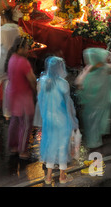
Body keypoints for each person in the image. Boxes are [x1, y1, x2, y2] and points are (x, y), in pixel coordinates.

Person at [34, 56, 79, 185]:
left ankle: (48, 177)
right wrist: (73, 121)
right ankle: (62, 176)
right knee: (62, 147)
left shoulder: (42, 81)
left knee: (50, 145)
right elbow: (68, 105)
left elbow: (40, 100)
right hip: (62, 120)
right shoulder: (63, 84)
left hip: (48, 120)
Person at [75, 48, 111, 150]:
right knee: (94, 123)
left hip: (94, 102)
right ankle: (95, 144)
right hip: (96, 102)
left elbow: (79, 83)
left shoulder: (99, 68)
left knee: (94, 123)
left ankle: (94, 144)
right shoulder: (104, 68)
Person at [5, 36, 37, 159]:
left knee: (15, 121)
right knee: (26, 124)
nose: (28, 50)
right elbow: (32, 80)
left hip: (12, 95)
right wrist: (36, 91)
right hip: (22, 98)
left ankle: (13, 147)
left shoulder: (12, 58)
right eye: (27, 47)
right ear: (21, 48)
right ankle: (22, 150)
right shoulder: (24, 62)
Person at [0, 8, 21, 122]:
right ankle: (7, 114)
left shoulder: (0, 31)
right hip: (11, 64)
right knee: (7, 89)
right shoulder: (18, 29)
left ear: (4, 18)